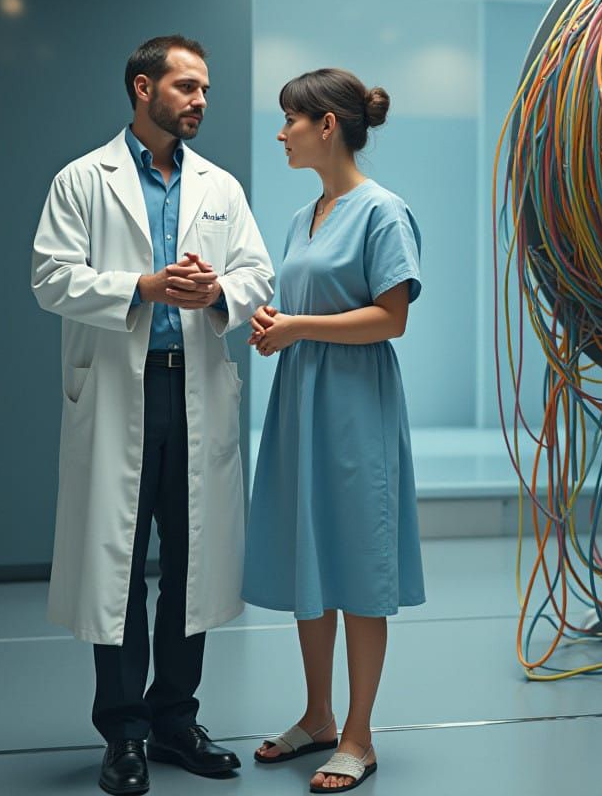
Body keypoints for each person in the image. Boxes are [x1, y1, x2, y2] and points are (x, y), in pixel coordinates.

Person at [31, 35, 275, 796]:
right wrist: (141, 285)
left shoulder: (221, 187)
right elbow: (51, 278)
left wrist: (218, 294)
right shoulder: (83, 180)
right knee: (120, 566)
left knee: (192, 564)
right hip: (118, 391)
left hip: (193, 386)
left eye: (205, 88)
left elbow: (257, 273)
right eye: (187, 86)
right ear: (144, 88)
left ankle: (176, 721)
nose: (201, 100)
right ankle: (125, 733)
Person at [243, 67, 424, 793]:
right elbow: (301, 307)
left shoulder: (384, 211)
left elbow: (392, 318)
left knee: (357, 564)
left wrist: (297, 327)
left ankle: (358, 735)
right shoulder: (303, 216)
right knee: (308, 560)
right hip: (301, 403)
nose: (281, 131)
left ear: (327, 126)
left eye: (291, 119)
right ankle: (317, 715)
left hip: (355, 407)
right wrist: (274, 326)